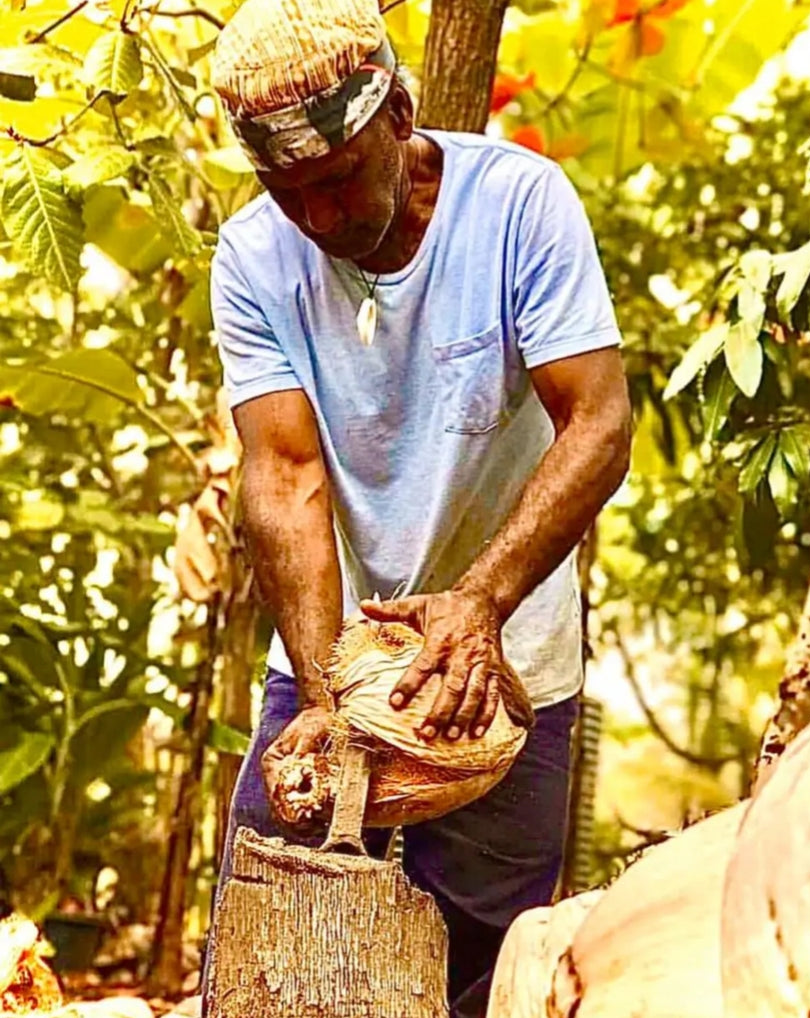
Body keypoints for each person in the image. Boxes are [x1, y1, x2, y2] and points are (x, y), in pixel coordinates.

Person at [207, 0, 631, 1014]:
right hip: (333, 664)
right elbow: (285, 478)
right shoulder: (253, 257)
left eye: (336, 180)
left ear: (397, 113)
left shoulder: (519, 205)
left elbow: (600, 423)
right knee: (266, 961)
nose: (315, 218)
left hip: (502, 672)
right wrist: (325, 696)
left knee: (485, 980)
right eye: (285, 189)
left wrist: (476, 604)